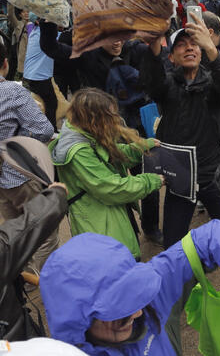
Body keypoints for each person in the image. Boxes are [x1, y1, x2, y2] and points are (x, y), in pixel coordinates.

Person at [40, 220, 220, 356]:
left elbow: (210, 236)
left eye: (135, 294)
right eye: (120, 312)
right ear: (80, 322)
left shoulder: (151, 297)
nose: (137, 314)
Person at [141, 15, 220, 248]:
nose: (189, 48)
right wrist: (154, 45)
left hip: (212, 173)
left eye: (194, 44)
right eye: (181, 45)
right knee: (173, 244)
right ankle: (182, 281)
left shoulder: (213, 82)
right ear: (172, 57)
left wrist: (212, 49)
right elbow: (151, 82)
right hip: (180, 178)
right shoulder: (167, 85)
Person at [49, 88, 163, 259]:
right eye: (109, 117)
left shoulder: (82, 132)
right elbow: (110, 188)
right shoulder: (79, 151)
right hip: (101, 224)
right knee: (119, 267)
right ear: (94, 118)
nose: (115, 120)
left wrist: (140, 148)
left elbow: (110, 154)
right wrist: (151, 181)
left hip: (106, 216)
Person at [0, 41, 57, 278]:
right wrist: (13, 146)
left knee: (16, 232)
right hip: (21, 176)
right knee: (45, 232)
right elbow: (43, 129)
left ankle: (20, 279)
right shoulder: (12, 91)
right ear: (5, 64)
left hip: (1, 183)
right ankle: (42, 280)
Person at [0, 181, 68, 341]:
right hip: (14, 338)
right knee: (45, 240)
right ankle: (53, 287)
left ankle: (36, 280)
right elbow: (31, 226)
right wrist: (57, 194)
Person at [8, 6, 28, 80]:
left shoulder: (36, 25)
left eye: (28, 11)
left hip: (34, 60)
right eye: (23, 12)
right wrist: (11, 0)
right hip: (23, 61)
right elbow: (10, 15)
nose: (26, 13)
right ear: (20, 15)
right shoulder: (18, 24)